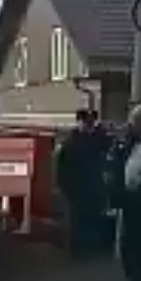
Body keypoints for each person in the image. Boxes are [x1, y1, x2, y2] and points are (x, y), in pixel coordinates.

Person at [54, 108, 111, 259]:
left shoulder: (93, 138)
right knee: (77, 220)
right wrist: (64, 186)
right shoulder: (71, 142)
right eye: (87, 122)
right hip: (77, 187)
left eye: (91, 122)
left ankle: (89, 247)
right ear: (80, 122)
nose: (89, 125)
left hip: (91, 185)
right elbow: (62, 167)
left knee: (90, 217)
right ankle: (78, 249)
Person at [117, 103, 141, 281]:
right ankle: (136, 276)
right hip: (132, 205)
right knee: (130, 243)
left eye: (135, 123)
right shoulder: (136, 145)